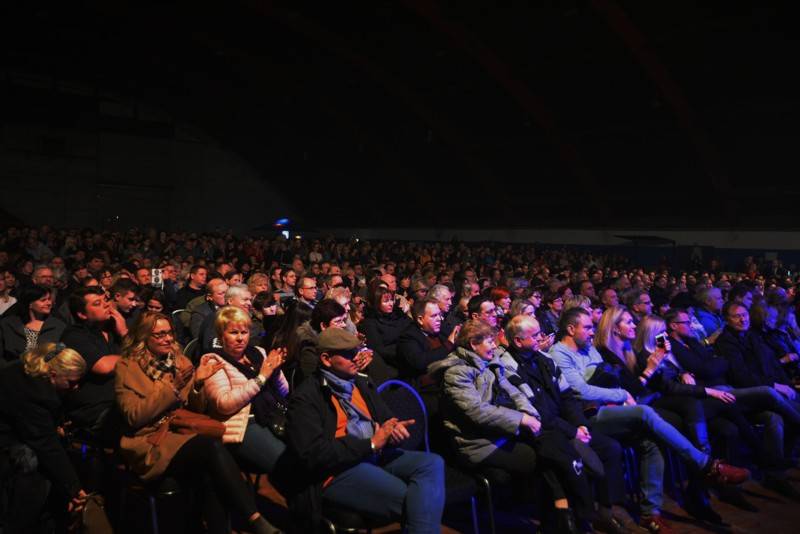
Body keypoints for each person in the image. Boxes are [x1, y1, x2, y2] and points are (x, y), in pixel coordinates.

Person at [550, 307, 749, 532]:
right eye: (586, 327)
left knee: (650, 442)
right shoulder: (559, 353)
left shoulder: (589, 350)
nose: (591, 331)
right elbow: (581, 391)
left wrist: (620, 392)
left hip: (610, 408)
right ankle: (706, 464)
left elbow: (608, 381)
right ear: (570, 329)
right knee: (646, 412)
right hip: (586, 416)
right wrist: (622, 394)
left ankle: (650, 513)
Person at [114, 311, 280, 534]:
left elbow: (197, 408)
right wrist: (171, 389)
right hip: (149, 440)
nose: (167, 339)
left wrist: (198, 385)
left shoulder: (179, 360)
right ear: (144, 337)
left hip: (181, 428)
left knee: (211, 471)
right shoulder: (127, 367)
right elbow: (134, 417)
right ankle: (253, 517)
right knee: (210, 447)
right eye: (159, 335)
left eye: (169, 333)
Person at [430, 320, 593, 533]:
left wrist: (530, 414)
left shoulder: (489, 362)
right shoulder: (456, 373)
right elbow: (478, 412)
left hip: (502, 432)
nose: (494, 345)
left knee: (552, 445)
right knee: (544, 457)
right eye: (489, 341)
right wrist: (521, 420)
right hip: (478, 443)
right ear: (473, 344)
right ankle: (563, 517)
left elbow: (515, 391)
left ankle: (563, 517)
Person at [284, 328, 445, 533]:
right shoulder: (307, 397)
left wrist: (392, 428)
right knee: (417, 502)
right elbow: (312, 454)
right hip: (337, 470)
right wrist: (369, 443)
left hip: (374, 454)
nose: (356, 358)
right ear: (326, 359)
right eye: (349, 354)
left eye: (356, 352)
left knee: (432, 463)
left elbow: (385, 418)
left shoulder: (360, 382)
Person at [501, 315, 634, 534]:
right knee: (576, 462)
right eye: (534, 336)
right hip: (541, 430)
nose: (541, 339)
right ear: (517, 341)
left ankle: (605, 512)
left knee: (610, 448)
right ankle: (579, 519)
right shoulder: (509, 367)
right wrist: (573, 431)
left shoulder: (545, 359)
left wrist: (580, 425)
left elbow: (568, 397)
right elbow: (537, 412)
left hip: (565, 425)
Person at [0, 342, 88, 532]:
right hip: (8, 448)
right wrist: (74, 488)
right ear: (54, 375)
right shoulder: (35, 394)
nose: (75, 387)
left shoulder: (26, 370)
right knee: (35, 477)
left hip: (14, 438)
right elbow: (45, 444)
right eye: (71, 382)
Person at [200, 306, 289, 474]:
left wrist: (275, 371)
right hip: (243, 424)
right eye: (234, 333)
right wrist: (261, 378)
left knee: (307, 452)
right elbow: (224, 404)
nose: (240, 338)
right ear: (221, 335)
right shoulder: (213, 361)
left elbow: (284, 392)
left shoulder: (259, 353)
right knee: (286, 466)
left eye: (244, 332)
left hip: (272, 414)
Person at [60, 286, 124, 445]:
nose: (106, 305)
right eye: (97, 303)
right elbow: (104, 366)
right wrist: (128, 341)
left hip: (122, 399)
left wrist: (123, 332)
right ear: (82, 314)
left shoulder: (112, 330)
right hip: (96, 409)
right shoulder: (74, 335)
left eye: (106, 300)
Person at [358, 285, 410, 384]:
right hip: (391, 362)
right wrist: (403, 353)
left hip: (407, 354)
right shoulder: (370, 322)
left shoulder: (398, 315)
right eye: (386, 301)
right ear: (377, 304)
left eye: (391, 300)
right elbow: (378, 349)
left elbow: (411, 331)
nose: (391, 304)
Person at [0, 285, 66, 362]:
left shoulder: (58, 325)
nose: (49, 303)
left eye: (49, 299)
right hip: (14, 370)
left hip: (46, 370)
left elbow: (62, 347)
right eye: (43, 300)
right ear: (30, 303)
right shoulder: (9, 324)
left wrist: (43, 362)